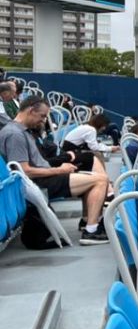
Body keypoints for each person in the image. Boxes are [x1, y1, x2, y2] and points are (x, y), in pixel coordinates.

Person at [0, 95, 110, 245]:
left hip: (43, 178)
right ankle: (91, 231)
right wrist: (60, 170)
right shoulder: (15, 134)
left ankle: (87, 222)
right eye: (42, 116)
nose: (44, 120)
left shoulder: (21, 131)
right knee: (100, 180)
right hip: (37, 183)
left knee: (92, 174)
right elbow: (24, 172)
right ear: (31, 111)